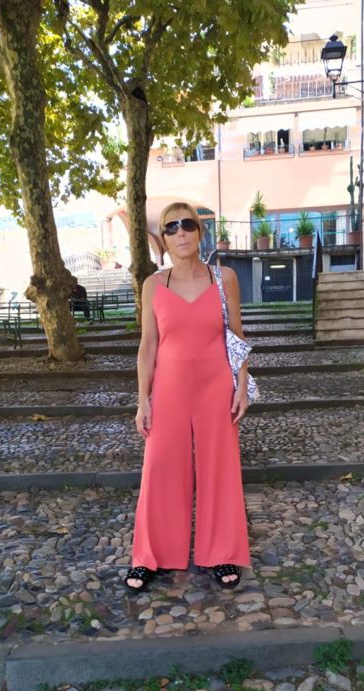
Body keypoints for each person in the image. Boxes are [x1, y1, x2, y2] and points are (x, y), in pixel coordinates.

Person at [126, 201, 251, 593]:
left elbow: (236, 335)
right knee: (160, 468)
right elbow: (148, 346)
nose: (180, 232)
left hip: (217, 386)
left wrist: (242, 385)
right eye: (170, 227)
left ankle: (222, 552)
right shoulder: (153, 285)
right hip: (169, 389)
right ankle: (151, 556)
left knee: (220, 468)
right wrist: (143, 400)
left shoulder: (224, 278)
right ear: (163, 239)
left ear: (199, 232)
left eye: (187, 225)